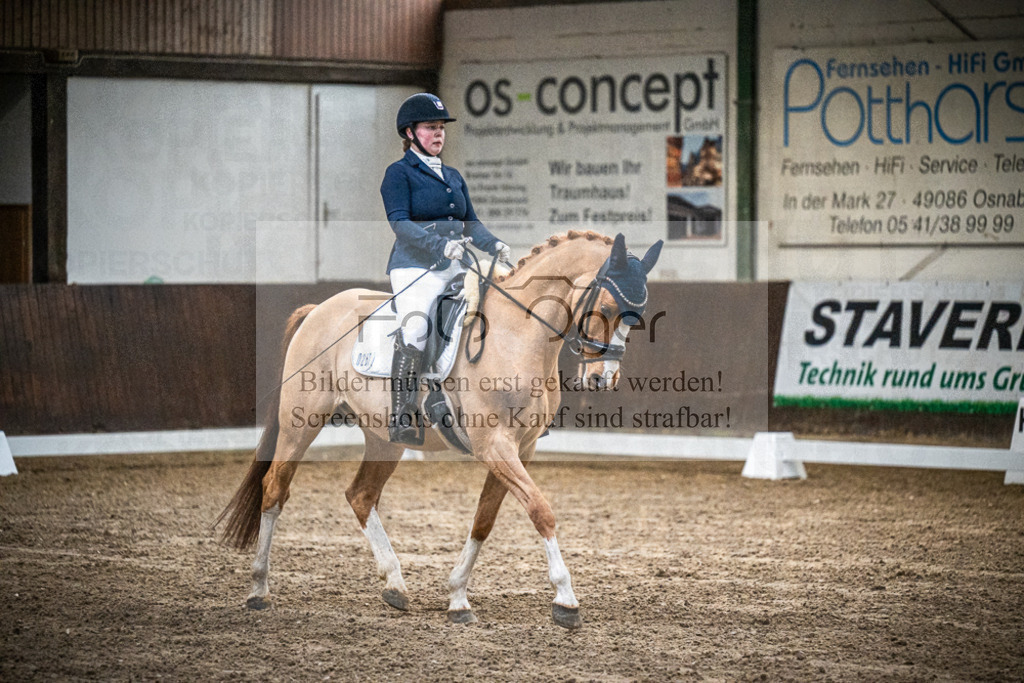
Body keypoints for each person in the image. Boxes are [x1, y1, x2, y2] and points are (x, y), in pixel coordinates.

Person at [380, 92, 512, 445]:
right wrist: (439, 245)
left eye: (441, 127)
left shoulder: (452, 175)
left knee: (494, 310)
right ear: (410, 132)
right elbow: (400, 224)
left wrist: (495, 245)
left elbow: (471, 224)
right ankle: (403, 413)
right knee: (416, 327)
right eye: (430, 127)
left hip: (455, 265)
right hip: (414, 267)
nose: (438, 133)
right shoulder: (398, 173)